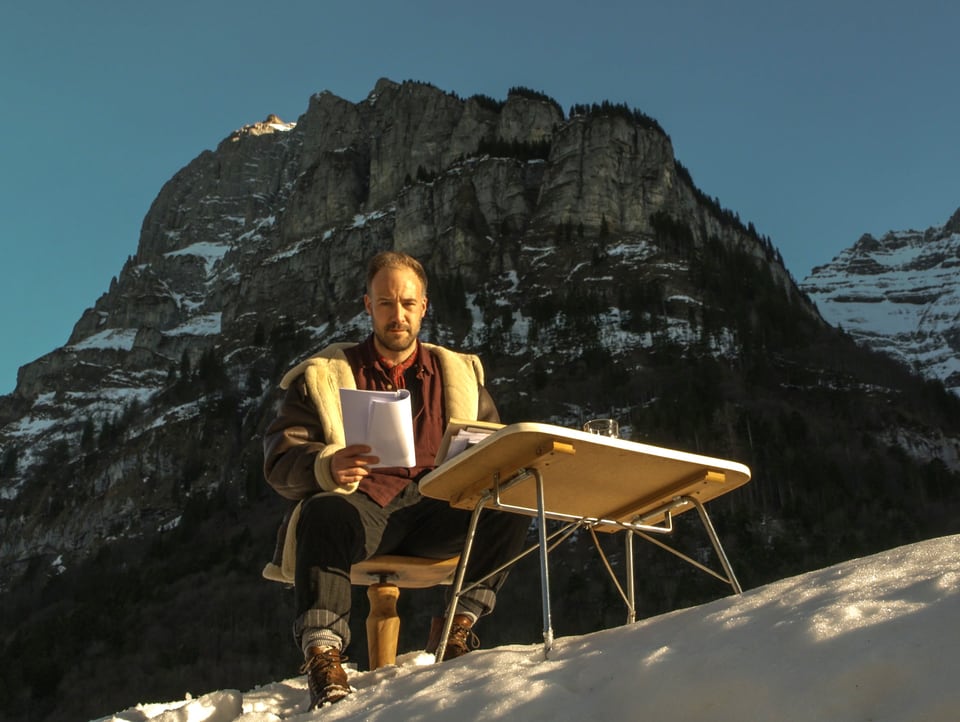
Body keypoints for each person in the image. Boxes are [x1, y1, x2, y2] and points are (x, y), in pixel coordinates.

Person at [263, 251, 530, 710]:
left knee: (511, 500)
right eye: (386, 303)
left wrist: (481, 465)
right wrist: (327, 465)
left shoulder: (459, 373)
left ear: (424, 306)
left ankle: (456, 629)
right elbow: (280, 457)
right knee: (323, 509)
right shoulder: (327, 374)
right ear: (367, 305)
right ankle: (325, 657)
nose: (398, 314)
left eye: (408, 303)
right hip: (363, 507)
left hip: (436, 508)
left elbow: (492, 451)